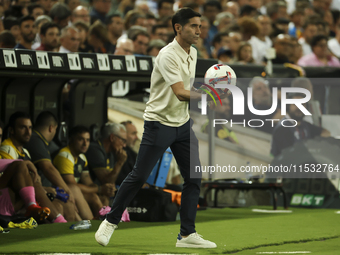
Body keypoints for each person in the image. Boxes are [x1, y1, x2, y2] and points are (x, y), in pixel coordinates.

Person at [95, 8, 217, 249]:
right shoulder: (167, 55)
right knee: (139, 175)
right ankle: (109, 221)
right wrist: (209, 95)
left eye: (200, 26)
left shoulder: (192, 52)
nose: (199, 30)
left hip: (182, 125)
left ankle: (186, 235)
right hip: (159, 123)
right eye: (194, 26)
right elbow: (180, 92)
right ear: (178, 28)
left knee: (193, 178)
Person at [53, 126, 115, 218]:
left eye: (88, 140)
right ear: (71, 139)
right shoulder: (65, 156)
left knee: (102, 197)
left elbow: (89, 183)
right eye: (81, 139)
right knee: (92, 196)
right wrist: (99, 189)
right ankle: (96, 223)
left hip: (73, 192)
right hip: (58, 192)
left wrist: (104, 189)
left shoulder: (82, 157)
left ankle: (104, 222)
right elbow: (72, 185)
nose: (85, 143)